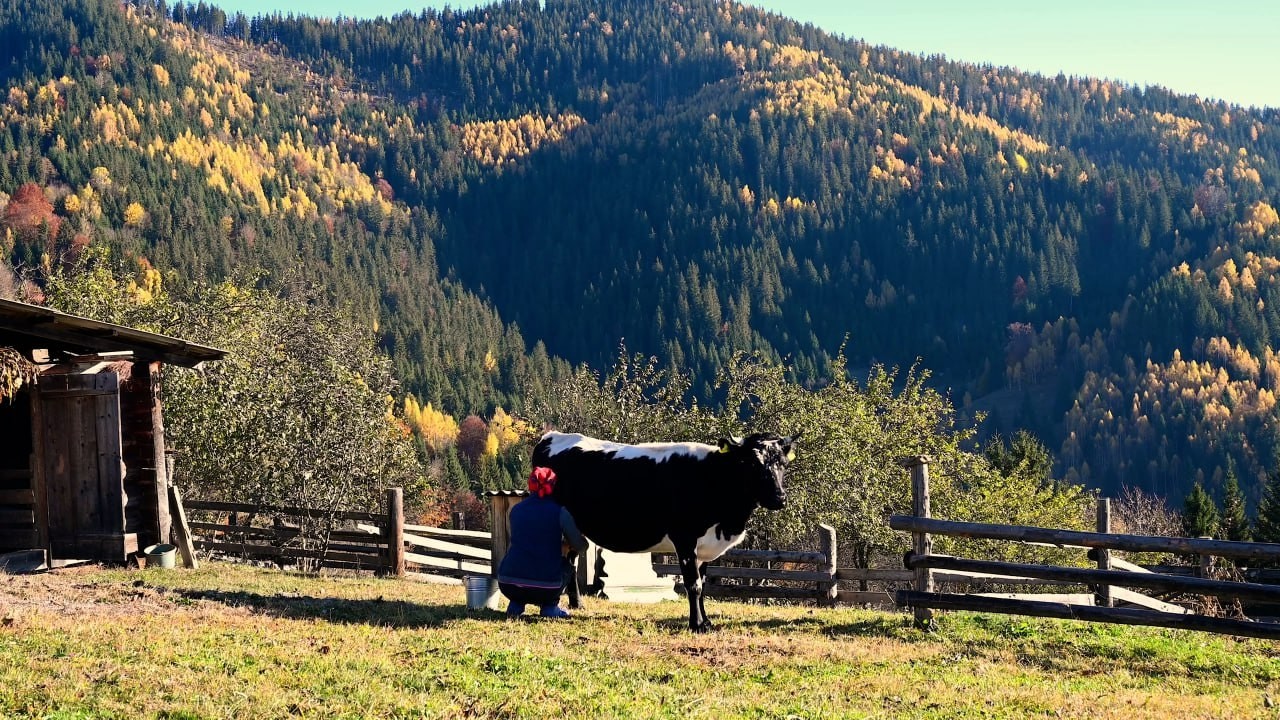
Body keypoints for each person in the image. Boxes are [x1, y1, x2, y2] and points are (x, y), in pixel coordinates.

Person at [497, 466, 587, 618]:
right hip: (546, 587)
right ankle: (550, 606)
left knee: (523, 563)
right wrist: (570, 545)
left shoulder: (516, 510)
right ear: (554, 486)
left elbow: (527, 541)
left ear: (530, 485)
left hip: (508, 583)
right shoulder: (560, 512)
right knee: (566, 566)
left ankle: (516, 604)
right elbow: (580, 546)